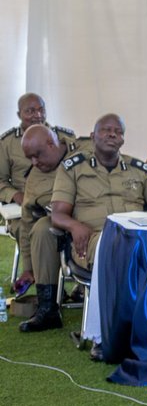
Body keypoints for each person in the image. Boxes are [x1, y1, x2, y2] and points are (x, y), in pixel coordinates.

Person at [49, 114, 147, 273]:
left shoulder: (141, 171)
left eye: (118, 132)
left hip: (137, 237)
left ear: (122, 140)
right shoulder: (72, 169)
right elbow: (57, 215)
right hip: (95, 239)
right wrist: (74, 226)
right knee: (119, 248)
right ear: (92, 137)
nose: (112, 134)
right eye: (106, 130)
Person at [0, 94, 78, 287]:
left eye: (41, 109)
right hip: (24, 208)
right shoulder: (7, 143)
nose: (37, 115)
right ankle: (38, 276)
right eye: (30, 111)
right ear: (19, 114)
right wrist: (15, 195)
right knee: (36, 231)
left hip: (60, 201)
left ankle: (76, 281)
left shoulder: (64, 137)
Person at [15, 125, 74, 331]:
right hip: (63, 232)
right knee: (41, 228)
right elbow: (26, 222)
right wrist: (28, 268)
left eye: (37, 155)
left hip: (94, 222)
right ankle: (47, 308)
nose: (34, 162)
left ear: (51, 144)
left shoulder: (85, 154)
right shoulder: (35, 175)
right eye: (29, 158)